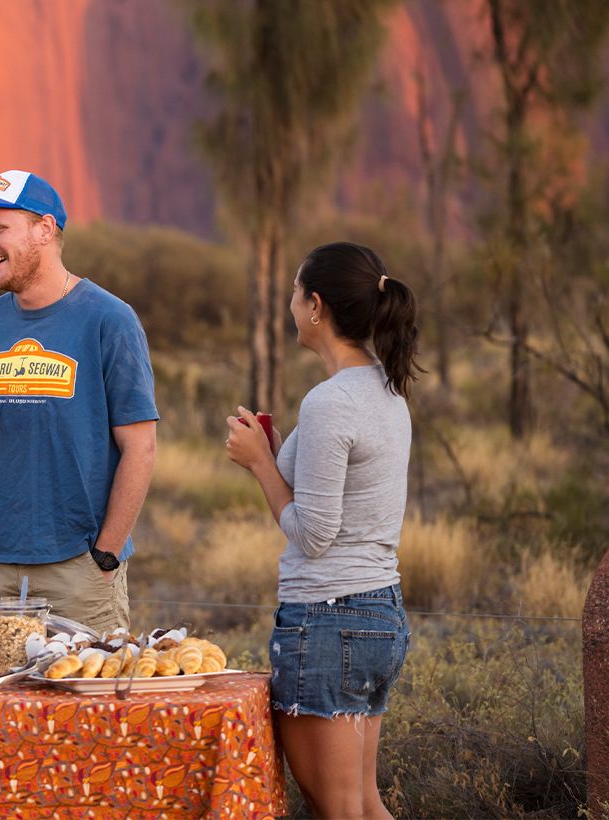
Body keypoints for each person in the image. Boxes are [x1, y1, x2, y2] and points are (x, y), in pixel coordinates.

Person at [225, 242, 419, 819]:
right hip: (378, 616)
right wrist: (281, 452)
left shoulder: (330, 402)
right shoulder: (386, 390)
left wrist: (261, 465)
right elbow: (341, 503)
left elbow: (313, 534)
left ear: (316, 306)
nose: (288, 304)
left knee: (336, 810)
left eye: (293, 292)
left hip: (327, 623)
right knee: (361, 803)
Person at [0, 170, 158, 636]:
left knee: (82, 703)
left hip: (76, 564)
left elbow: (141, 447)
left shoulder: (109, 318)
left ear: (45, 229)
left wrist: (107, 553)